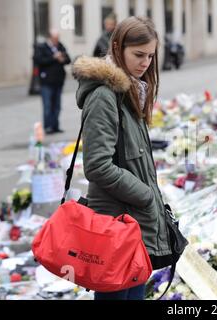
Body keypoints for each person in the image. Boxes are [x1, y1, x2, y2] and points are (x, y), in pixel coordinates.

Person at [73, 17, 173, 300]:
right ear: (117, 48)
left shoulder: (132, 91)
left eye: (151, 56)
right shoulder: (105, 95)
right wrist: (144, 193)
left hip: (132, 224)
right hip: (114, 225)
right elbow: (97, 165)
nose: (145, 63)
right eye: (138, 55)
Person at [33, 28, 71, 134]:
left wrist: (62, 59)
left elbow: (68, 59)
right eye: (55, 38)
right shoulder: (42, 47)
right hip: (46, 81)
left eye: (57, 38)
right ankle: (48, 126)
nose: (56, 40)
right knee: (48, 105)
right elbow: (38, 60)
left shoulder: (60, 46)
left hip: (58, 81)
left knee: (57, 105)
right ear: (50, 37)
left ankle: (55, 126)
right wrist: (54, 57)